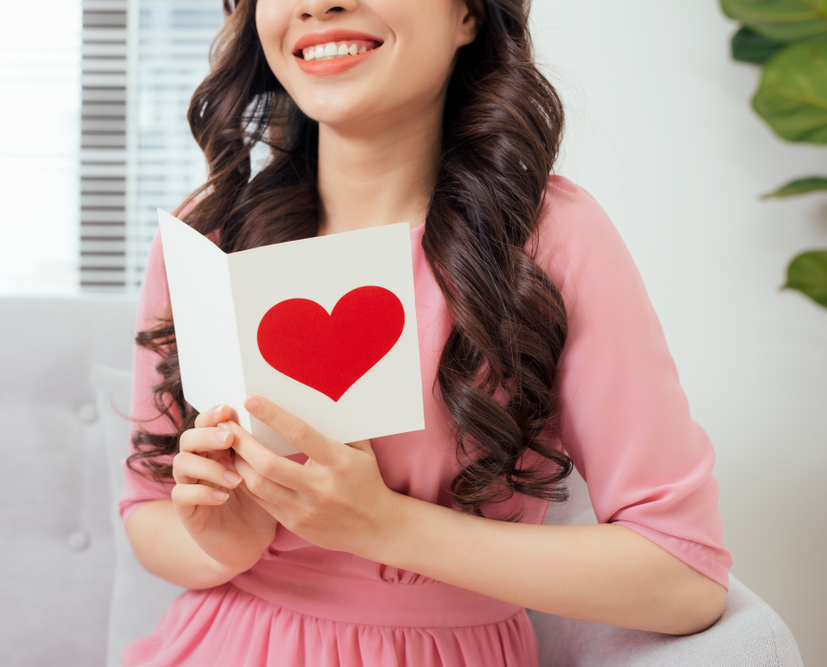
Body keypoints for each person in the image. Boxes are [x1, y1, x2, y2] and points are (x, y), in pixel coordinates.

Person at [118, 0, 732, 665]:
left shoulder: (551, 241)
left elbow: (684, 576)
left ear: (468, 15)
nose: (320, 4)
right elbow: (148, 508)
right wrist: (227, 541)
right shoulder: (209, 236)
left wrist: (386, 526)